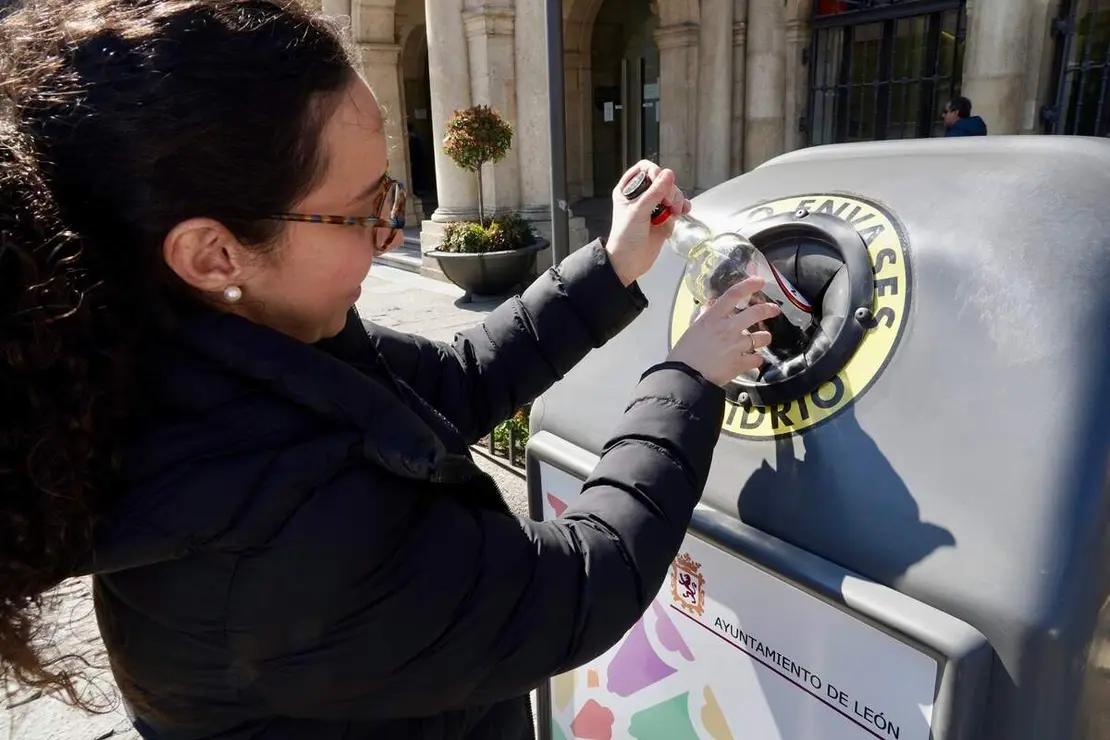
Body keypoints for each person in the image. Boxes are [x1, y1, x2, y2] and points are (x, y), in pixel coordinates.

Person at [0, 1, 780, 739]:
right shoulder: (272, 523)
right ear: (213, 254)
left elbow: (457, 378)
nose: (392, 230)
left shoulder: (223, 341)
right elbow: (581, 585)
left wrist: (612, 265)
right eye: (362, 209)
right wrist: (688, 377)